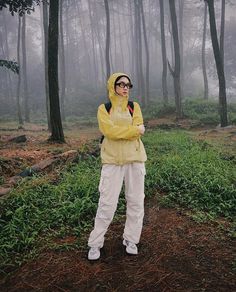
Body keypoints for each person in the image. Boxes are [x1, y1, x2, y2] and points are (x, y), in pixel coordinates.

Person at [87, 72, 147, 260]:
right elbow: (109, 131)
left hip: (135, 160)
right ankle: (95, 243)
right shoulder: (104, 109)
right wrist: (132, 131)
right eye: (121, 84)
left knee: (136, 201)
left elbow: (139, 129)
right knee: (107, 204)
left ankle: (131, 239)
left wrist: (128, 131)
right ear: (113, 86)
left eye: (128, 85)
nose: (125, 87)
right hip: (112, 162)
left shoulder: (134, 107)